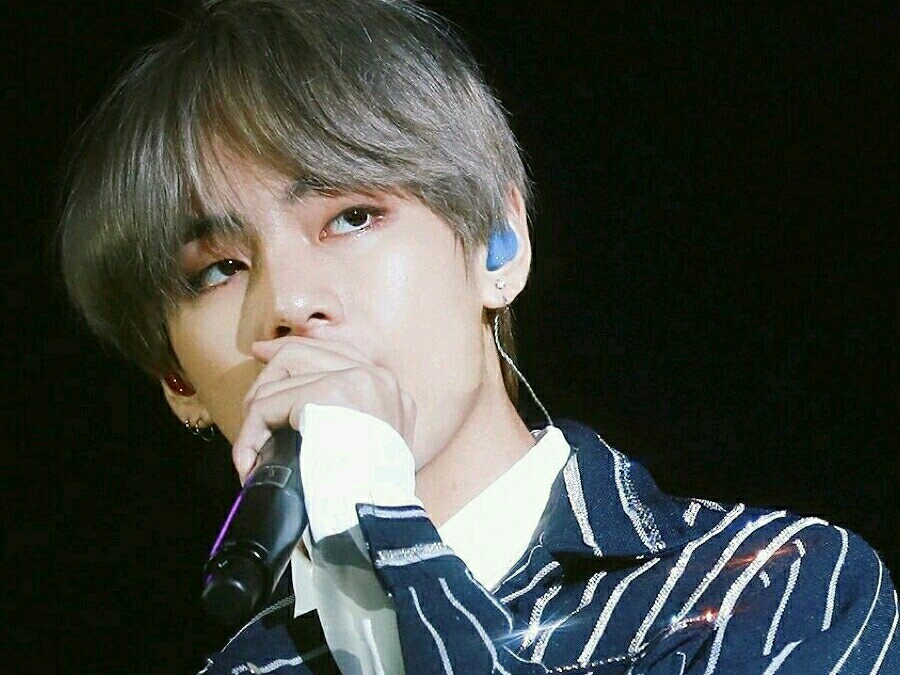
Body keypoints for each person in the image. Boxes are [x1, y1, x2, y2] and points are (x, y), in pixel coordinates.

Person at [59, 1, 897, 673]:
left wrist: (380, 522)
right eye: (218, 269)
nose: (291, 302)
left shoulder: (773, 584)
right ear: (176, 380)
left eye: (351, 217)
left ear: (500, 244)